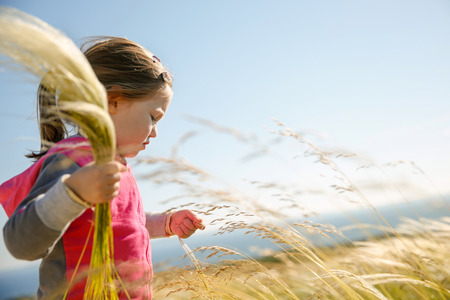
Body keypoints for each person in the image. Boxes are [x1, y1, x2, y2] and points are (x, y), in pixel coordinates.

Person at [0, 37, 204, 299]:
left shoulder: (117, 165)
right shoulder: (73, 160)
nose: (155, 132)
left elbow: (124, 224)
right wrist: (73, 193)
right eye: (153, 117)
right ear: (112, 101)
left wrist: (165, 223)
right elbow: (20, 243)